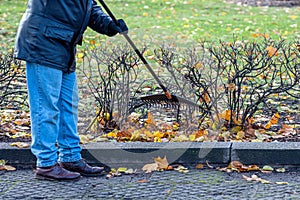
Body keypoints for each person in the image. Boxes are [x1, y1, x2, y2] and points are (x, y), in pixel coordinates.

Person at [14, 0, 128, 181]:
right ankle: (46, 163)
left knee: (68, 105)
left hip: (64, 46)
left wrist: (109, 25)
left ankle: (70, 157)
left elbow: (89, 7)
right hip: (43, 42)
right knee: (46, 107)